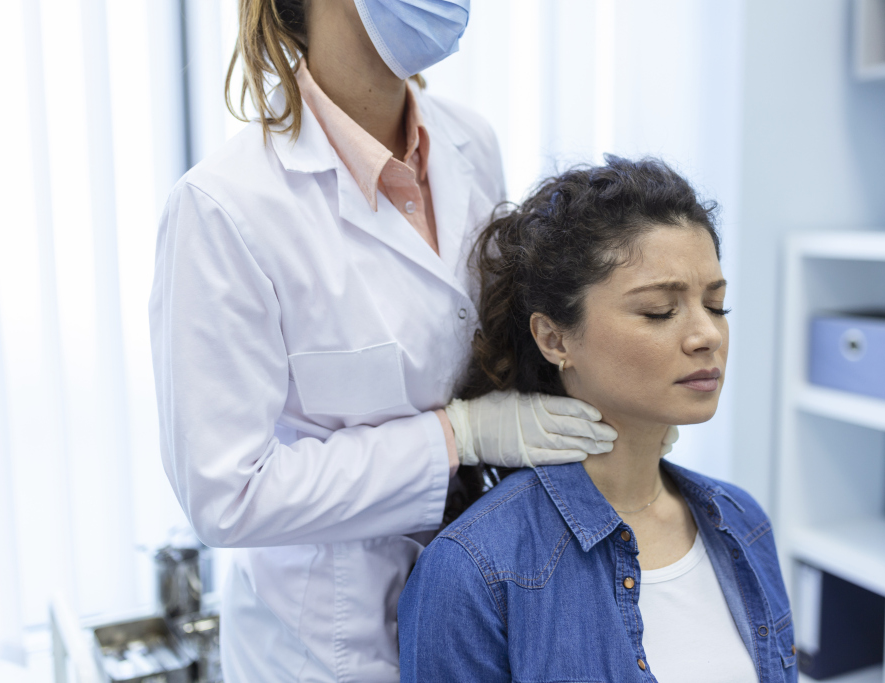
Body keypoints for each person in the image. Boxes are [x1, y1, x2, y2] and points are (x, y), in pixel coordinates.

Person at [148, 1, 616, 681]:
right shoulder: (225, 208)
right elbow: (229, 494)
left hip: (478, 607)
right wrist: (457, 435)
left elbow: (493, 337)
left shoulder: (470, 144)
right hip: (327, 649)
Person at [398, 157, 797, 682]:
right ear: (555, 339)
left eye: (716, 305)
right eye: (659, 310)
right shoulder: (475, 570)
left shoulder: (740, 521)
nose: (708, 335)